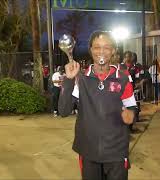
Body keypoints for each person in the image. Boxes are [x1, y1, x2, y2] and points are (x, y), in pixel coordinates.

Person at [58, 31, 136, 180]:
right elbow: (63, 110)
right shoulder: (81, 79)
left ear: (113, 50)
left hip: (116, 152)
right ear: (91, 50)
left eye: (106, 47)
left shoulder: (123, 79)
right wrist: (68, 80)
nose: (101, 51)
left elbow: (132, 107)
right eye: (97, 47)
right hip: (88, 151)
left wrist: (131, 114)